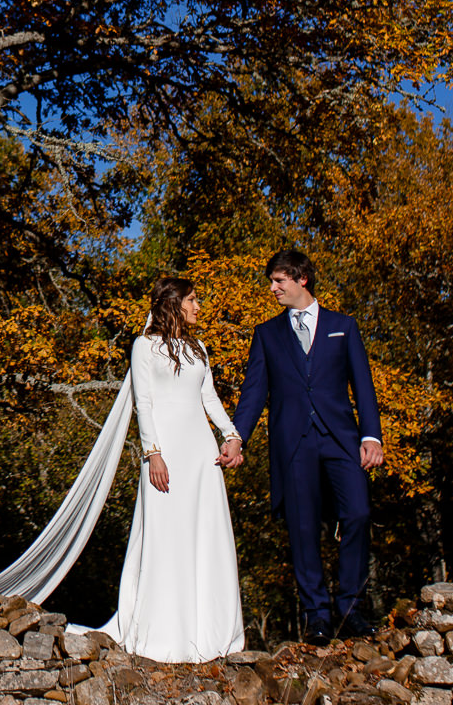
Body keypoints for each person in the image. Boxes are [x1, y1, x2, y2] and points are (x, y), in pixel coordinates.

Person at [93, 274, 247, 663]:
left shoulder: (200, 348)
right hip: (165, 452)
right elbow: (143, 403)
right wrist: (153, 453)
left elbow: (209, 397)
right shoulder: (143, 347)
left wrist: (232, 435)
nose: (198, 307)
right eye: (192, 300)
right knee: (166, 533)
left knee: (204, 532)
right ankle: (164, 631)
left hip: (200, 452)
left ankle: (209, 633)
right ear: (173, 303)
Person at [233, 248, 384, 643]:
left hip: (341, 440)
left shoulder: (343, 326)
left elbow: (363, 386)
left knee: (357, 514)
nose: (273, 288)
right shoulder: (267, 334)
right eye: (272, 281)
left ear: (302, 279)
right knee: (302, 530)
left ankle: (350, 607)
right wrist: (237, 437)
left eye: (279, 280)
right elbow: (253, 393)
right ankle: (316, 615)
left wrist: (372, 436)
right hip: (293, 443)